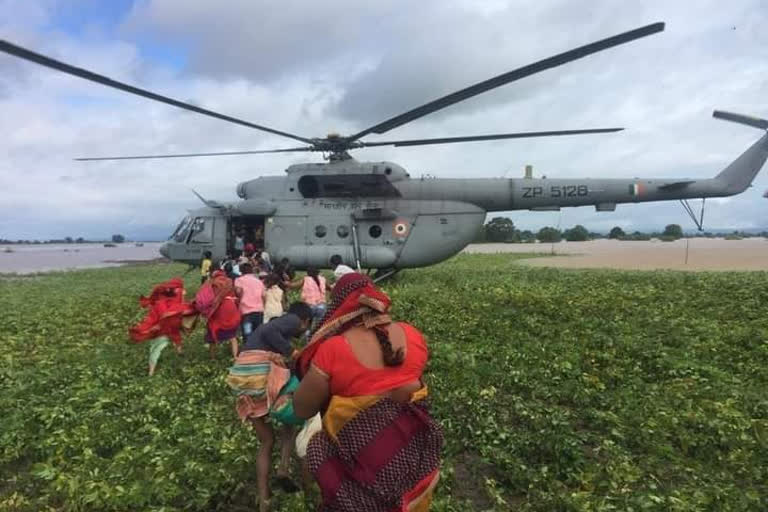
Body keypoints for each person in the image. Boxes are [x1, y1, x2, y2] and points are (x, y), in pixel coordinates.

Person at [293, 273, 443, 512]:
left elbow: (302, 409)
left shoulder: (333, 350)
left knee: (317, 447)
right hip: (415, 469)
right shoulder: (412, 335)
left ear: (339, 306)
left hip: (361, 478)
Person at [227, 302, 313, 512]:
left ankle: (264, 498)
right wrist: (293, 352)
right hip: (258, 372)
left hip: (243, 376)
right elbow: (273, 332)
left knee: (267, 440)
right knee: (290, 415)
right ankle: (284, 467)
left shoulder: (265, 335)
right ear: (305, 321)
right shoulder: (292, 319)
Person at [129, 278, 197, 376]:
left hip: (161, 329)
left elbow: (152, 318)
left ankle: (151, 371)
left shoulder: (160, 302)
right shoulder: (174, 303)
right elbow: (182, 310)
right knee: (173, 337)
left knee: (155, 349)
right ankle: (179, 350)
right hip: (166, 328)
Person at [204, 270, 242, 359]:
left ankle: (212, 357)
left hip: (220, 307)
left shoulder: (213, 283)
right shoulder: (229, 282)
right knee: (232, 335)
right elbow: (238, 292)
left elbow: (209, 296)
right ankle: (235, 356)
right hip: (231, 306)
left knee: (213, 330)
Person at [235, 262, 265, 338]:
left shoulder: (239, 280)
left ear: (241, 271)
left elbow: (238, 292)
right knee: (258, 335)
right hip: (259, 311)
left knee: (247, 334)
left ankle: (248, 348)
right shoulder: (259, 282)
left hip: (246, 312)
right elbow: (263, 296)